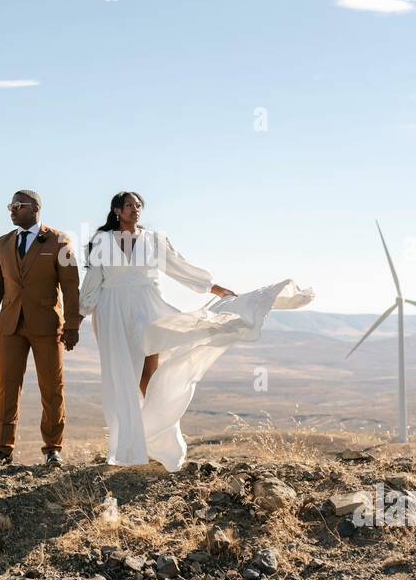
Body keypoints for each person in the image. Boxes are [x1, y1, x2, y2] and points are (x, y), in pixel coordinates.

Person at [78, 190, 313, 470]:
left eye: (139, 205)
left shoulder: (154, 240)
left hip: (147, 310)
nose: (135, 209)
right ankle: (126, 447)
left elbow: (180, 267)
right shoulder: (101, 241)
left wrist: (213, 288)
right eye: (129, 205)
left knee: (148, 376)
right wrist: (76, 318)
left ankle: (157, 440)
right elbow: (93, 281)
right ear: (117, 210)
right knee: (119, 380)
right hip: (112, 313)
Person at [0, 190, 81, 468]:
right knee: (6, 387)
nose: (11, 211)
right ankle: (1, 450)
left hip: (47, 326)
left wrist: (72, 325)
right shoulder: (2, 244)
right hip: (10, 327)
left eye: (16, 206)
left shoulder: (60, 241)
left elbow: (70, 286)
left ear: (34, 208)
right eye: (10, 206)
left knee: (52, 388)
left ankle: (53, 449)